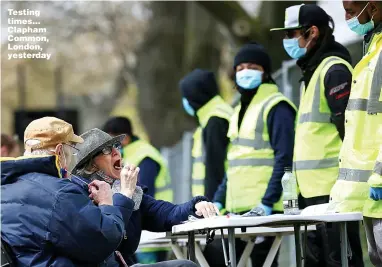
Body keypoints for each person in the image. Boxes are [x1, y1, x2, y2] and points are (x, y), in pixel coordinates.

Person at [270, 4, 364, 267]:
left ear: (312, 32)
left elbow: (349, 132)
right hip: (313, 196)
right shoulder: (313, 71)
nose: (286, 41)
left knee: (339, 261)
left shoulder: (333, 71)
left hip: (333, 194)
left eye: (290, 34)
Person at [71, 128, 218, 267]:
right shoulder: (79, 196)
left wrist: (197, 205)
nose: (117, 152)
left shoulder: (130, 191)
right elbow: (106, 237)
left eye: (116, 146)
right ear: (91, 165)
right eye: (107, 150)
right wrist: (125, 196)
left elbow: (166, 213)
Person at [1, 117, 135, 266]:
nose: (73, 156)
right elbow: (104, 241)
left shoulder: (5, 188)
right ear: (60, 151)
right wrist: (106, 202)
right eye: (72, 149)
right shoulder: (59, 193)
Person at [209, 42, 296, 267]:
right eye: (240, 68)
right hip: (237, 211)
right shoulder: (239, 110)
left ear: (265, 72)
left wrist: (267, 202)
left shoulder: (277, 106)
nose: (245, 72)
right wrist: (219, 200)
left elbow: (285, 159)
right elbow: (236, 162)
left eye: (252, 67)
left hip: (265, 211)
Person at [330, 1, 382, 266]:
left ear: (372, 9)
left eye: (351, 11)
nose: (347, 18)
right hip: (370, 191)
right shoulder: (372, 48)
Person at [103, 117, 173, 263]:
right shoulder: (128, 153)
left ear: (125, 138)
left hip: (151, 230)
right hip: (139, 230)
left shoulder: (145, 155)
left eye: (113, 141)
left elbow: (144, 194)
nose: (110, 148)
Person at [179, 69, 233, 201]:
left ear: (196, 95)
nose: (185, 102)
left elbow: (214, 170)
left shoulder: (215, 120)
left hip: (217, 205)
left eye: (186, 96)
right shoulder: (213, 116)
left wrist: (212, 204)